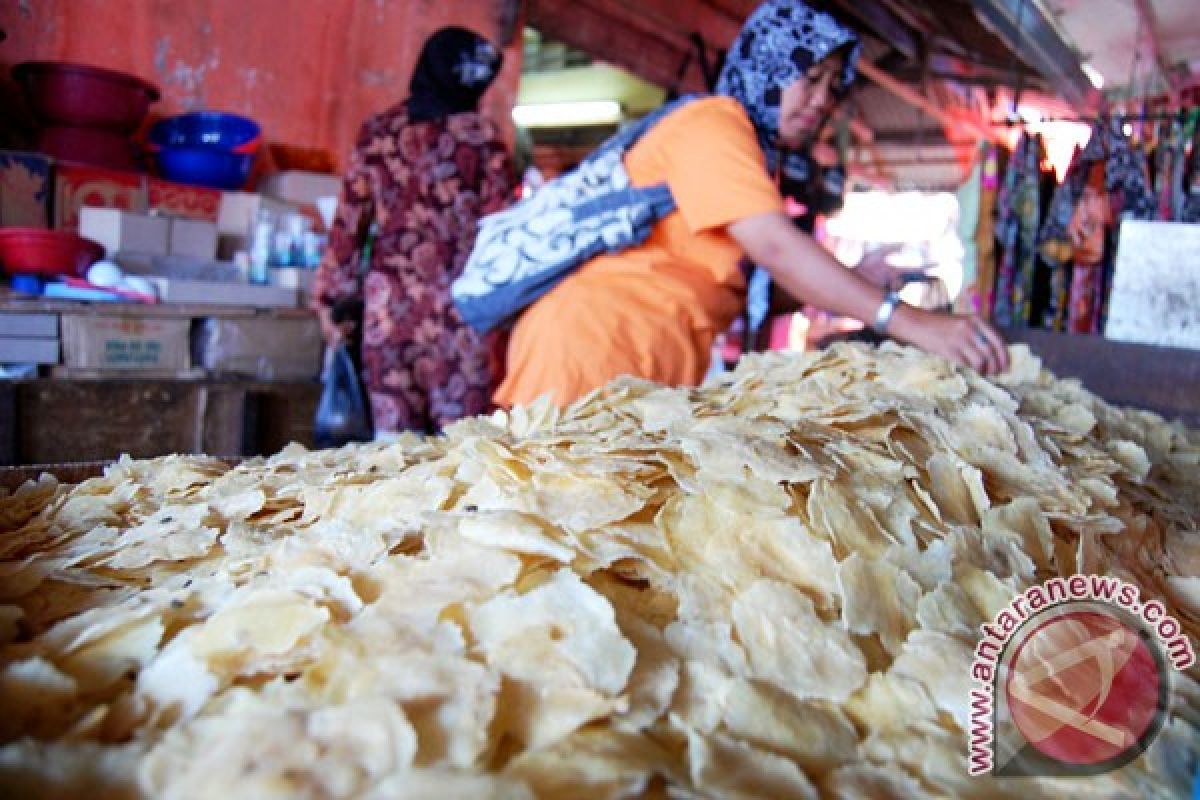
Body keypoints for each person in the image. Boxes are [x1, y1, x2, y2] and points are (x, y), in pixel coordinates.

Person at [493, 0, 1008, 409]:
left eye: (832, 87)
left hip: (652, 358)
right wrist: (909, 321)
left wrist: (856, 278)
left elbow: (741, 282)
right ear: (769, 65)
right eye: (809, 78)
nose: (820, 102)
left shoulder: (758, 158)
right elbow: (775, 247)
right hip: (589, 349)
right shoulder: (713, 125)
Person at [314, 26, 514, 435]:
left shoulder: (379, 133)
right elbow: (501, 228)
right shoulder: (482, 139)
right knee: (462, 453)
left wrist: (332, 301)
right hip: (460, 319)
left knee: (394, 452)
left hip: (388, 316)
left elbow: (348, 227)